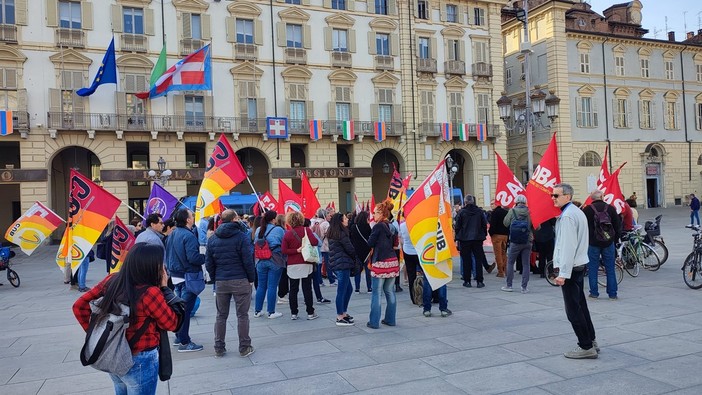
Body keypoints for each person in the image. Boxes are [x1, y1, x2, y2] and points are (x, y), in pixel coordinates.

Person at [73, 243, 183, 394]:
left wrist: (98, 333)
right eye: (160, 264)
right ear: (149, 267)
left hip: (113, 354)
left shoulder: (112, 280)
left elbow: (79, 306)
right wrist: (165, 288)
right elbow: (172, 324)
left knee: (120, 389)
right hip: (140, 359)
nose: (163, 268)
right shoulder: (150, 292)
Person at [551, 183, 598, 359]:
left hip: (571, 267)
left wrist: (562, 273)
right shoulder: (576, 212)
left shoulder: (568, 216)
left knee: (573, 310)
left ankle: (585, 346)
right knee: (581, 306)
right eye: (552, 195)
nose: (553, 198)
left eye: (556, 195)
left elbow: (568, 246)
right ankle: (591, 340)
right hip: (578, 264)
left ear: (568, 196)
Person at [205, 209, 256, 358]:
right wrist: (251, 278)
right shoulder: (241, 237)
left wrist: (215, 278)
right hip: (240, 279)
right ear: (234, 219)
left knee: (221, 315)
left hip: (221, 280)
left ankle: (219, 347)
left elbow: (209, 262)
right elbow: (248, 260)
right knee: (242, 315)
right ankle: (244, 347)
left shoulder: (213, 238)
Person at [165, 209, 205, 353]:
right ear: (187, 220)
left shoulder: (173, 233)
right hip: (188, 276)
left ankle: (178, 336)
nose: (193, 217)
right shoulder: (188, 235)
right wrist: (204, 257)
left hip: (177, 275)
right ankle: (184, 341)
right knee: (185, 311)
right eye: (192, 215)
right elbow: (193, 258)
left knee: (181, 309)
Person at [582, 190, 621, 300]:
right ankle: (612, 293)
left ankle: (594, 292)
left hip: (593, 243)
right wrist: (615, 240)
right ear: (602, 197)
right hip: (608, 243)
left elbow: (583, 228)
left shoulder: (587, 210)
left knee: (593, 268)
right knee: (610, 269)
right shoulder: (611, 208)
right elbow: (618, 226)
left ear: (592, 198)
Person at [367, 200, 400, 329]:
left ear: (381, 213)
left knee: (377, 293)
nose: (373, 215)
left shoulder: (378, 226)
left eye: (375, 213)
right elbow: (395, 244)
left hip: (380, 261)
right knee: (390, 291)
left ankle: (374, 322)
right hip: (392, 261)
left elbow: (370, 242)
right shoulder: (392, 226)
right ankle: (390, 319)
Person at [281, 211, 319, 320]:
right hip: (306, 262)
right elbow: (315, 242)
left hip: (292, 264)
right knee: (307, 288)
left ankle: (294, 313)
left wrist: (295, 250)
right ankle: (310, 312)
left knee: (293, 289)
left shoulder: (287, 233)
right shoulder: (307, 230)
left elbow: (284, 250)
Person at [253, 210, 286, 319]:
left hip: (261, 260)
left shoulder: (258, 229)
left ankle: (257, 311)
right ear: (273, 219)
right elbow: (284, 243)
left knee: (261, 286)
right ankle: (271, 312)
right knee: (272, 286)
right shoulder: (278, 229)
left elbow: (255, 242)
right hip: (275, 259)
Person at [327, 212, 358, 326]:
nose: (347, 220)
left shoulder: (333, 233)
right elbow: (350, 249)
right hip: (342, 264)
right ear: (340, 221)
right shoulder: (341, 234)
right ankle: (340, 316)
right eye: (345, 219)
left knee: (348, 289)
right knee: (342, 290)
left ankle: (343, 313)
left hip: (338, 264)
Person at [454, 195, 490, 288]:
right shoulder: (479, 212)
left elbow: (457, 226)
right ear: (473, 201)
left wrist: (458, 237)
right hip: (477, 239)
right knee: (478, 260)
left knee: (466, 260)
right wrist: (483, 235)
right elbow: (484, 224)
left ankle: (467, 281)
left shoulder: (462, 212)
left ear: (465, 202)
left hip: (465, 239)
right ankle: (479, 281)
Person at [501, 195, 533, 293]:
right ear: (525, 202)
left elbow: (505, 223)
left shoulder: (512, 211)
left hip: (515, 241)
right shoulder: (529, 212)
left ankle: (509, 285)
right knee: (526, 264)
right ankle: (524, 287)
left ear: (516, 202)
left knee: (510, 262)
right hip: (527, 240)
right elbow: (536, 226)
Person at [350, 210, 372, 293]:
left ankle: (357, 288)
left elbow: (351, 238)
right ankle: (369, 288)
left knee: (357, 271)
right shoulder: (368, 226)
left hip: (357, 251)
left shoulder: (353, 227)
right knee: (368, 271)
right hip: (367, 251)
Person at [488, 204, 510, 278]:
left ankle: (500, 272)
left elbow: (493, 225)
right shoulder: (506, 212)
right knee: (504, 253)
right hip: (505, 235)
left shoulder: (495, 212)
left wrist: (491, 233)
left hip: (496, 235)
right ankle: (505, 269)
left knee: (498, 254)